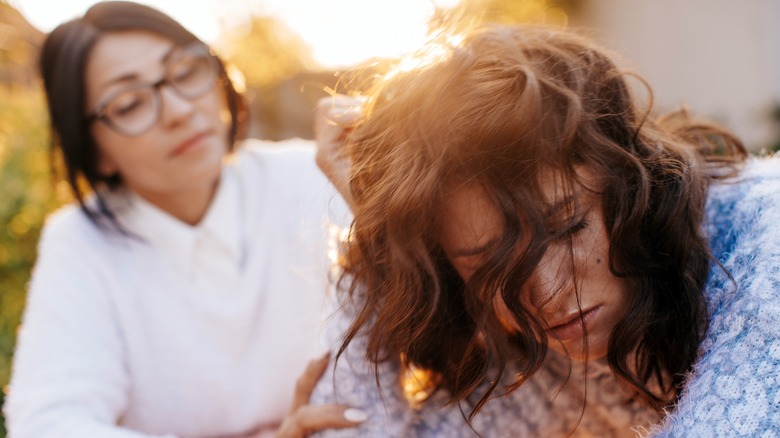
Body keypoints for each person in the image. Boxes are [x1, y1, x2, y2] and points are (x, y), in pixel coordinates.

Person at [309, 24, 780, 436]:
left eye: (569, 226)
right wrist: (376, 231)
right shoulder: (546, 351)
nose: (550, 294)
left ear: (631, 179)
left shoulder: (767, 259)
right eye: (486, 262)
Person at [2, 2, 363, 437]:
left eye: (186, 72)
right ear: (92, 147)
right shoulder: (81, 241)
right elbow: (46, 424)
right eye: (131, 103)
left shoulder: (312, 177)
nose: (177, 110)